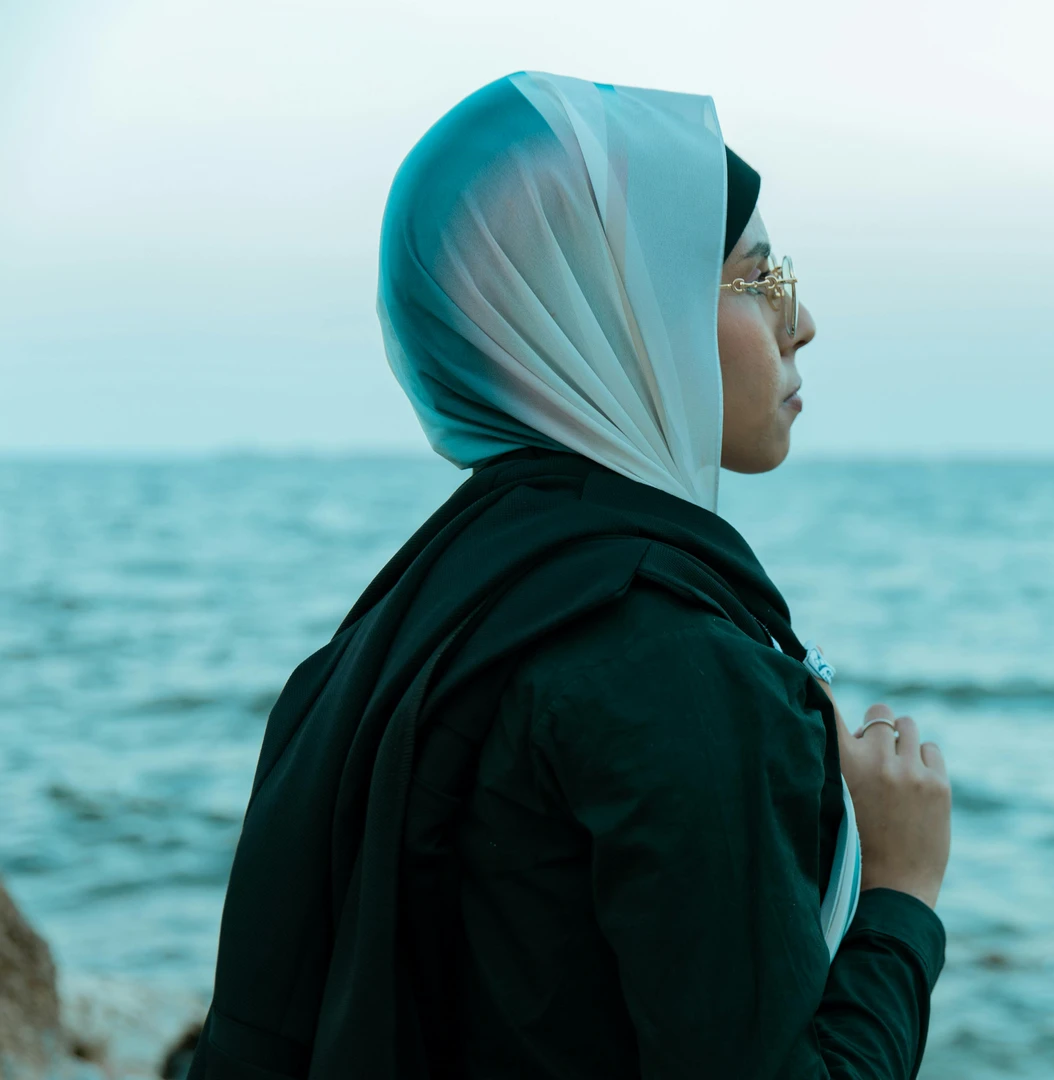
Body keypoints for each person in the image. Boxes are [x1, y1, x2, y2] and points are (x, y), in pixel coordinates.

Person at [188, 71, 951, 1079]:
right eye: (759, 277)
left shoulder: (403, 623)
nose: (800, 321)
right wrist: (901, 895)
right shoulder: (673, 666)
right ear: (628, 314)